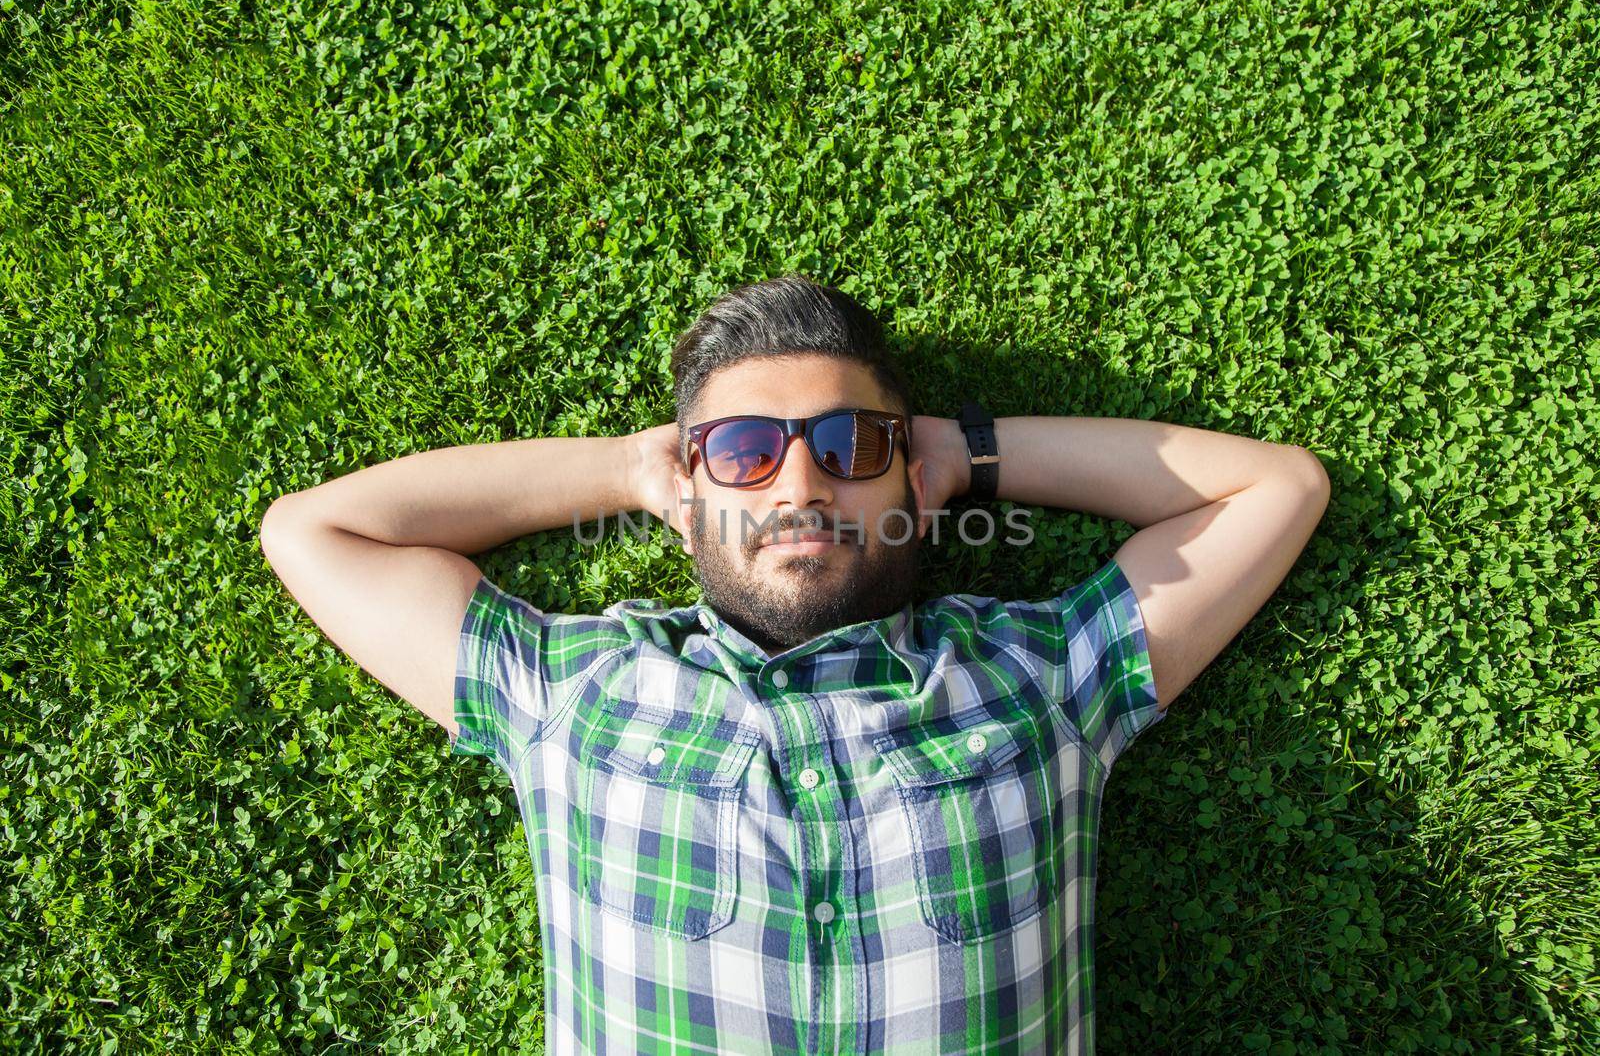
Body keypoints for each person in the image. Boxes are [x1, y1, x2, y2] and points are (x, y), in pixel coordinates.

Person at [260, 274, 1330, 1054]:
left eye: (851, 443)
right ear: (690, 490)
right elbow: (314, 532)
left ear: (911, 478)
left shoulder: (1039, 679)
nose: (799, 484)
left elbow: (1274, 488)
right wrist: (636, 466)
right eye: (741, 452)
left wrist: (965, 449)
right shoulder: (571, 694)